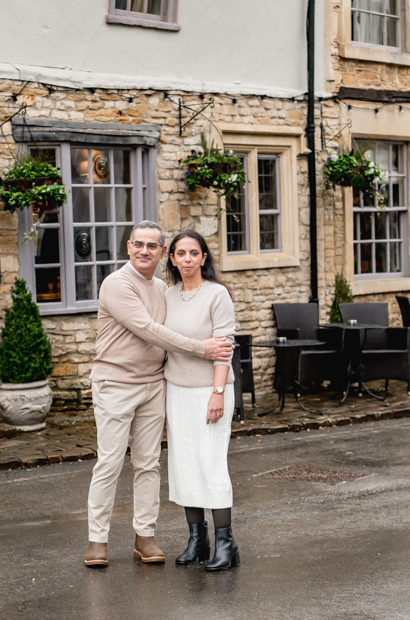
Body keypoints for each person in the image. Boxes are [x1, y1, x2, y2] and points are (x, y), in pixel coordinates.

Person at [85, 221, 233, 569]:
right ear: (128, 247)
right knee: (109, 464)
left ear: (160, 252)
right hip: (116, 384)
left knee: (149, 464)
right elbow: (151, 331)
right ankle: (97, 540)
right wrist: (202, 349)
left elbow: (216, 340)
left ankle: (145, 537)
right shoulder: (117, 284)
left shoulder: (161, 288)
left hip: (155, 385)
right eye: (139, 244)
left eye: (153, 246)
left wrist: (217, 386)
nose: (145, 251)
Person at [163, 230, 239, 572]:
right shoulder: (167, 295)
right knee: (185, 466)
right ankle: (198, 539)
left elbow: (224, 347)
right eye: (182, 253)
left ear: (204, 258)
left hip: (210, 391)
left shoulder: (217, 294)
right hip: (176, 391)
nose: (188, 259)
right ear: (173, 259)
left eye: (194, 253)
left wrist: (218, 393)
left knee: (211, 465)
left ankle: (226, 543)